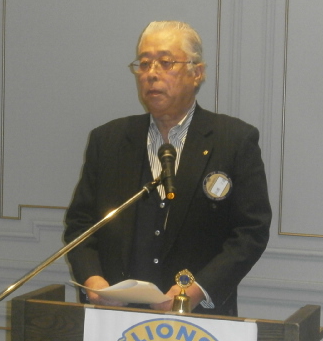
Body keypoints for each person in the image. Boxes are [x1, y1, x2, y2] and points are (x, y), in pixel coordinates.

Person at [64, 21, 271, 316]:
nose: (151, 74)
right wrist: (93, 281)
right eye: (144, 63)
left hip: (198, 320)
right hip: (116, 315)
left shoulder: (234, 140)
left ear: (197, 73)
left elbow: (251, 231)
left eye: (165, 62)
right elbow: (81, 225)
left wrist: (198, 290)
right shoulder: (108, 140)